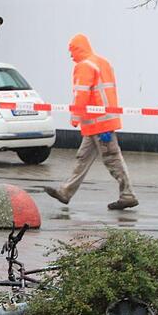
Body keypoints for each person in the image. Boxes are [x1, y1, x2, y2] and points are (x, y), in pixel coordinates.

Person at [44, 34, 138, 210]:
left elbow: (82, 94)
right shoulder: (102, 62)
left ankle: (128, 195)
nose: (71, 56)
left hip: (99, 124)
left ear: (79, 49)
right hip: (100, 122)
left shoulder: (84, 66)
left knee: (112, 158)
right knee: (82, 158)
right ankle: (65, 192)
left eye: (72, 51)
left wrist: (75, 117)